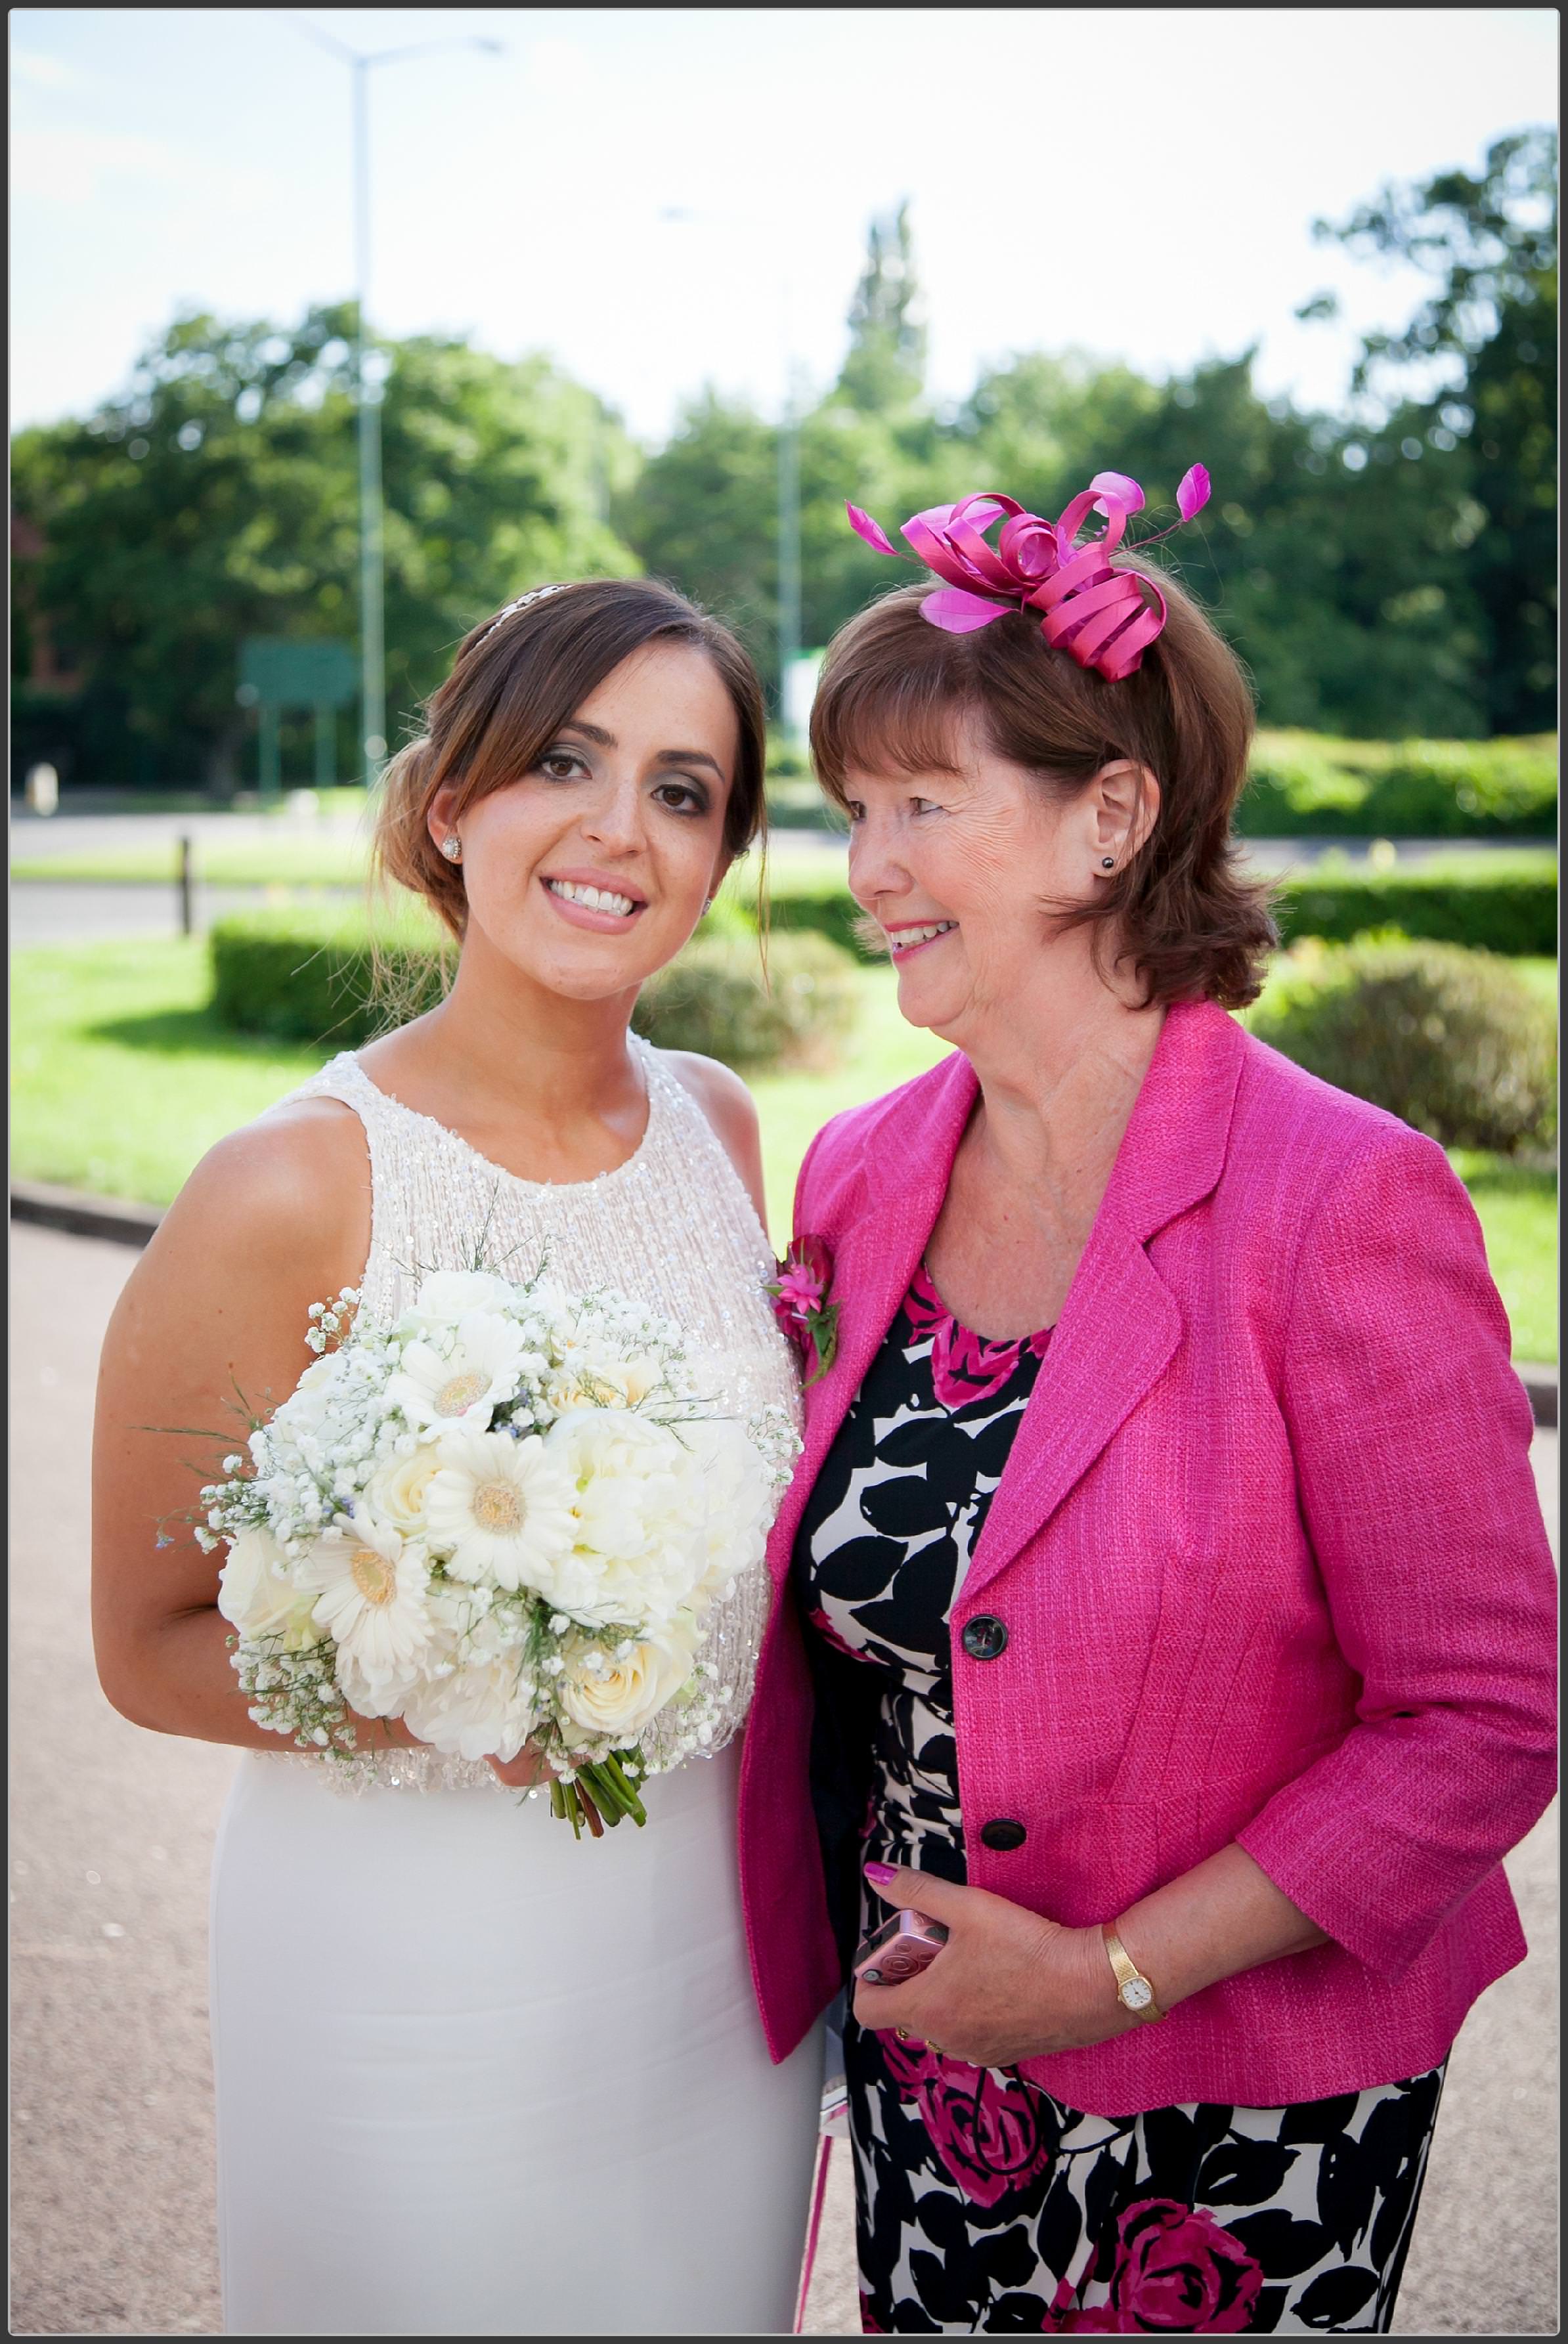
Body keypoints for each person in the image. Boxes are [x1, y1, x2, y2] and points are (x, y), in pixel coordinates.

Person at [736, 482, 1558, 2333]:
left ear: (1107, 820)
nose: (864, 866)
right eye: (852, 808)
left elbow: (1483, 1716)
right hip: (933, 2071)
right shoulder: (859, 1175)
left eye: (921, 807)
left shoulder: (1338, 1198)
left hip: (1239, 2104)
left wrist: (1104, 1973)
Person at [91, 579, 822, 2337]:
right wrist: (473, 1685)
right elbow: (149, 1644)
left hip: (718, 1956)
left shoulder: (719, 1122)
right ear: (449, 803)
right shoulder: (288, 1187)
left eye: (679, 788)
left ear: (719, 853)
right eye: (562, 761)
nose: (613, 829)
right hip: (406, 1954)